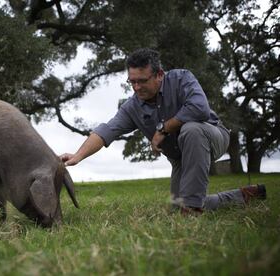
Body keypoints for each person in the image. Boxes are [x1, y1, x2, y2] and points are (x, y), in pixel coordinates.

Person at [60, 48, 266, 214]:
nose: (136, 87)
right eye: (132, 81)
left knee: (191, 129)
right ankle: (242, 196)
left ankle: (193, 209)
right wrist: (78, 156)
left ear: (159, 75)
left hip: (212, 136)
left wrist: (163, 129)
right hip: (179, 158)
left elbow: (199, 108)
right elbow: (107, 131)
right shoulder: (132, 107)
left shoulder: (181, 78)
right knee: (177, 207)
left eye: (142, 80)